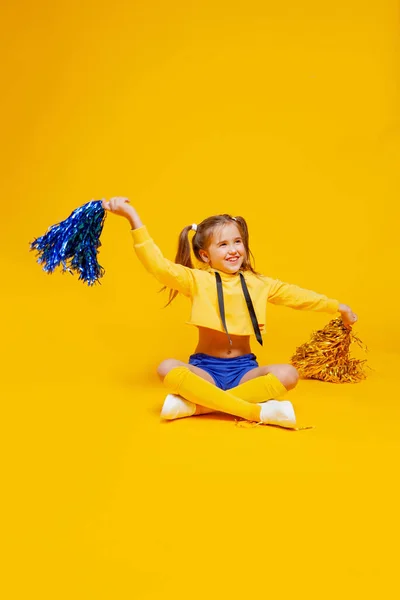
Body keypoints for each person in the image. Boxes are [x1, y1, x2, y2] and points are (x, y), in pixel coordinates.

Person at [102, 197, 358, 428]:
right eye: (223, 244)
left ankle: (199, 407)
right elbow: (157, 266)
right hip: (205, 371)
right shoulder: (195, 280)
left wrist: (338, 307)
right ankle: (254, 411)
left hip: (244, 371)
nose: (233, 249)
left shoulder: (260, 283)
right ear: (205, 254)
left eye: (237, 242)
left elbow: (299, 296)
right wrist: (133, 218)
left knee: (288, 374)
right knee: (166, 367)